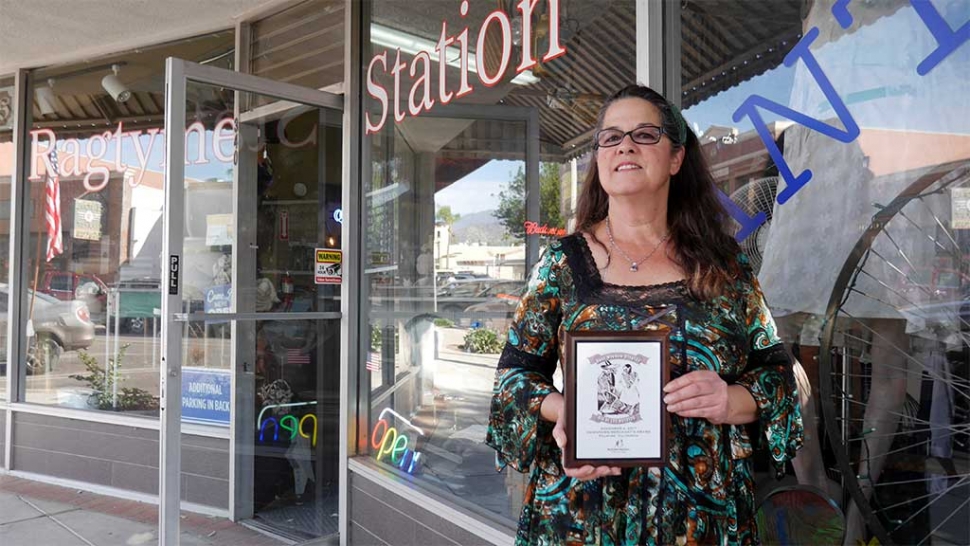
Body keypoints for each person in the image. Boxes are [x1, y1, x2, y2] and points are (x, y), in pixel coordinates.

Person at [486, 83, 804, 545]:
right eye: (610, 138)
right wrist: (566, 414)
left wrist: (730, 399)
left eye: (644, 134)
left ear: (676, 158)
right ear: (599, 159)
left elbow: (781, 374)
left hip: (699, 517)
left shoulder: (722, 266)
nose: (625, 145)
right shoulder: (561, 264)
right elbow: (513, 380)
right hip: (582, 513)